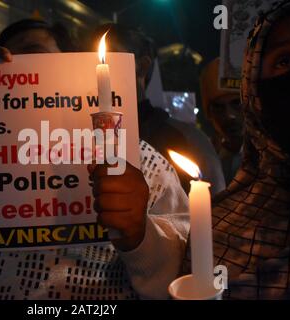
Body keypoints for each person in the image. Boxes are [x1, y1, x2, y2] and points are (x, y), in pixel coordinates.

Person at [0, 19, 189, 299]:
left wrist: (140, 235)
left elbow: (181, 277)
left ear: (74, 68)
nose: (14, 70)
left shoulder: (141, 163)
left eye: (34, 56)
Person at [97, 0, 290, 299]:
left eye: (233, 104)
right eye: (284, 60)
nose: (229, 116)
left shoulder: (184, 139)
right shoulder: (229, 225)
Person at [89, 24, 226, 195]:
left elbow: (216, 211)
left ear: (142, 66)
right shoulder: (70, 136)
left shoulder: (188, 141)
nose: (91, 68)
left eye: (106, 59)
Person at [200, 58, 243, 184]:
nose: (229, 115)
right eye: (218, 107)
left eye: (237, 103)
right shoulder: (204, 159)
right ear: (209, 114)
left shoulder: (275, 160)